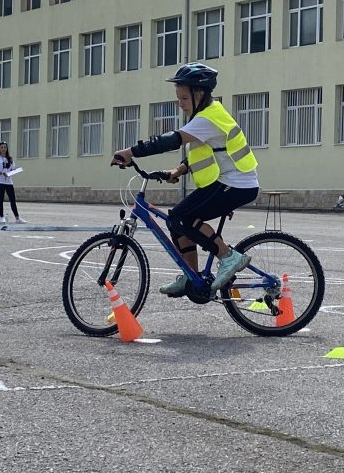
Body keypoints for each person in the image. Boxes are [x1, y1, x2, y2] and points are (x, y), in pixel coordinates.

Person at [111, 63, 259, 297]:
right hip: (229, 183)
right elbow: (208, 153)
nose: (180, 103)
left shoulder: (208, 118)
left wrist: (130, 152)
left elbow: (170, 140)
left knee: (181, 217)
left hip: (236, 184)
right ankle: (192, 275)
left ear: (198, 93)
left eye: (183, 98)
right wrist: (177, 171)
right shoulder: (206, 116)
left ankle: (229, 257)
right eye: (178, 98)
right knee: (176, 220)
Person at [0, 142, 26, 224]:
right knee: (1, 200)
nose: (3, 149)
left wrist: (14, 171)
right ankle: (2, 217)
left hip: (9, 182)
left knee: (13, 200)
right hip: (0, 182)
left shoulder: (10, 159)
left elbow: (13, 169)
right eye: (2, 147)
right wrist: (2, 173)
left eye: (5, 147)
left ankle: (17, 218)